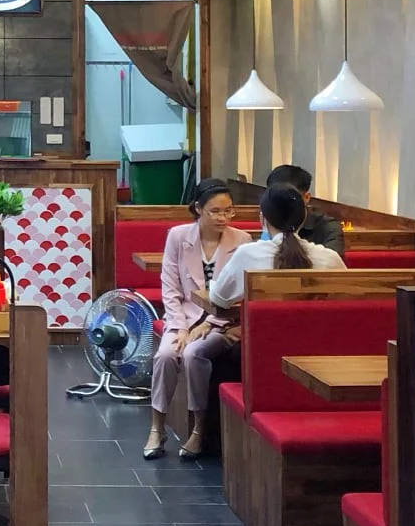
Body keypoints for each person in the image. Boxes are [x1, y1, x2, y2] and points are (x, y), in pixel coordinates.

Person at [163, 182, 347, 460]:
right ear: (303, 218)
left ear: (263, 218)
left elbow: (219, 298)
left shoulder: (249, 255)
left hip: (262, 358)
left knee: (222, 354)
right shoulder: (329, 258)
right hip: (319, 357)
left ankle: (206, 435)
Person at [142, 179, 250, 459]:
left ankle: (199, 429)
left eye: (228, 211)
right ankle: (157, 427)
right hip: (184, 317)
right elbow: (170, 287)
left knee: (193, 354)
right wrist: (179, 327)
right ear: (199, 209)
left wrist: (208, 324)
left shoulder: (242, 241)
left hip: (223, 323)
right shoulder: (178, 236)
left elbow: (238, 296)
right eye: (215, 211)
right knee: (165, 355)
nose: (223, 218)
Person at [264, 163, 346, 259]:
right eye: (276, 198)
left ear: (306, 197)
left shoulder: (328, 227)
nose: (283, 203)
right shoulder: (268, 221)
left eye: (291, 198)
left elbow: (331, 262)